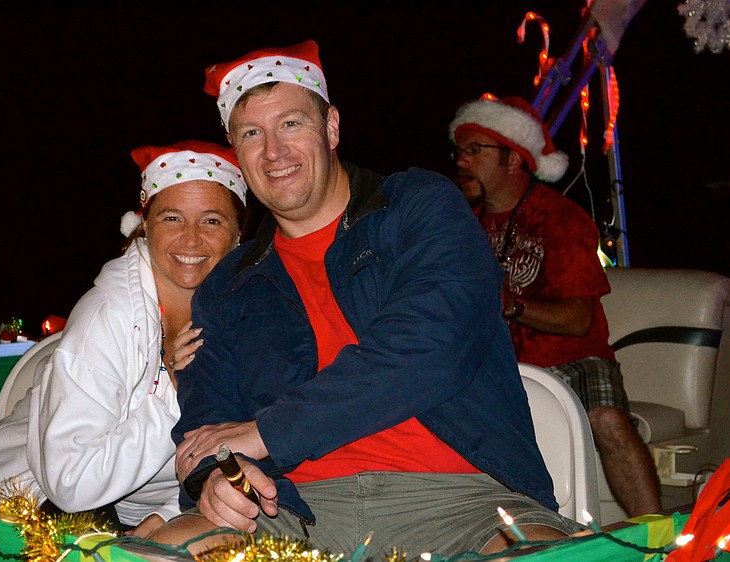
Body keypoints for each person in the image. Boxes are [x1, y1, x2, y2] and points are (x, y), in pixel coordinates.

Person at [150, 40, 583, 556]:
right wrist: (218, 478)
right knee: (157, 552)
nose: (274, 152)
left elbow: (433, 346)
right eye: (251, 134)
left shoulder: (417, 208)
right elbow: (207, 416)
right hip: (293, 510)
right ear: (237, 153)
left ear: (331, 127)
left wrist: (267, 433)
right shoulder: (228, 284)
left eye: (291, 124)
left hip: (465, 506)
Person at [0, 140, 246, 534]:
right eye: (172, 218)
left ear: (238, 235)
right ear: (144, 225)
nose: (190, 238)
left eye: (212, 220)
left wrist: (165, 514)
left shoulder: (247, 317)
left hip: (135, 510)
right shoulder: (108, 316)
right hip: (23, 501)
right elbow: (71, 485)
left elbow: (234, 446)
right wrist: (171, 386)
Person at [448, 95, 662, 518]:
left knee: (608, 421)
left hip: (573, 358)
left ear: (514, 160)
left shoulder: (562, 219)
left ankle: (658, 537)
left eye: (474, 150)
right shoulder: (457, 221)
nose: (461, 161)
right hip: (494, 363)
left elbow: (579, 319)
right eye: (459, 151)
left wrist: (513, 306)